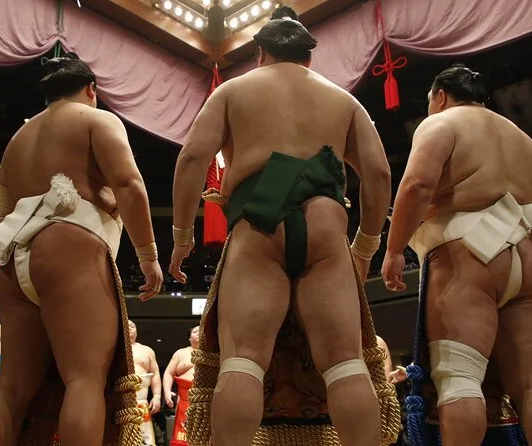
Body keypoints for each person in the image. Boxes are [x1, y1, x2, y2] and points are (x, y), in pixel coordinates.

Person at [170, 17, 392, 446]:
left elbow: (192, 158)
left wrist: (183, 237)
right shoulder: (343, 100)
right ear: (309, 57)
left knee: (243, 361)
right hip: (325, 224)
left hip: (259, 222)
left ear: (261, 54)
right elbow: (379, 174)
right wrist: (366, 245)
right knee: (345, 363)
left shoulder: (232, 91)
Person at [0, 52, 163, 446]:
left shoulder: (17, 140)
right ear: (91, 89)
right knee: (84, 379)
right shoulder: (98, 120)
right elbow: (129, 185)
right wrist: (148, 256)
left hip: (16, 256)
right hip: (69, 245)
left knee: (12, 389)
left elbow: (1, 213)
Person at [382, 64, 532, 445]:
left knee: (459, 378)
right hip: (528, 251)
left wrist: (394, 250)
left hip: (471, 253)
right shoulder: (521, 136)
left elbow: (416, 185)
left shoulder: (441, 123)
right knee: (530, 385)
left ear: (440, 96)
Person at [162, 325, 199, 446]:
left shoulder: (214, 353)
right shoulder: (181, 353)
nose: (199, 332)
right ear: (189, 338)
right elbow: (169, 373)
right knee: (182, 436)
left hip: (207, 398)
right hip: (184, 397)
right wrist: (167, 392)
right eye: (195, 331)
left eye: (202, 331)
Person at [129, 320, 161, 445]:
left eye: (132, 326)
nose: (129, 327)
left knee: (144, 440)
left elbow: (155, 374)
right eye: (126, 325)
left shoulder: (147, 350)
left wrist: (157, 396)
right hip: (118, 400)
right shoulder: (113, 349)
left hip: (141, 400)